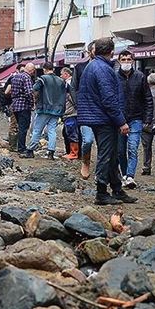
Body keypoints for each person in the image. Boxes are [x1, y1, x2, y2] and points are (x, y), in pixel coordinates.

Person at [77, 37, 136, 205]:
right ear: (112, 52)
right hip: (104, 119)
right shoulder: (103, 69)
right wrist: (121, 121)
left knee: (110, 155)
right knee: (106, 155)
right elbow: (109, 98)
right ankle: (101, 192)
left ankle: (117, 189)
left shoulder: (92, 66)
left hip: (97, 117)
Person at [116, 51, 153, 189]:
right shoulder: (114, 77)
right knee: (120, 150)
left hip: (136, 118)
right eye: (123, 59)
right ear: (119, 61)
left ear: (133, 61)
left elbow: (147, 98)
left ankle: (130, 176)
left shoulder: (140, 76)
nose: (126, 62)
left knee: (132, 148)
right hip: (119, 119)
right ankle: (125, 174)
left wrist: (148, 117)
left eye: (129, 59)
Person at [27, 63, 66, 159]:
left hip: (44, 109)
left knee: (37, 130)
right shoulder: (61, 80)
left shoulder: (43, 79)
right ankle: (51, 152)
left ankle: (30, 150)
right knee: (52, 130)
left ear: (44, 69)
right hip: (57, 109)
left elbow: (34, 89)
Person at [73, 41, 97, 179]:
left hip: (103, 111)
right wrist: (79, 104)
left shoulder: (109, 67)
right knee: (87, 140)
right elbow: (74, 87)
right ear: (89, 52)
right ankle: (86, 161)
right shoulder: (80, 67)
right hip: (86, 111)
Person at [11, 63, 36, 158]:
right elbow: (29, 92)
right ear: (32, 70)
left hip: (15, 105)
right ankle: (21, 148)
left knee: (19, 127)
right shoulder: (26, 78)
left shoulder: (15, 77)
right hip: (24, 105)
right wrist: (32, 103)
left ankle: (18, 146)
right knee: (23, 128)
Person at [60, 67, 80, 159]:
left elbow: (72, 99)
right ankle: (73, 152)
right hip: (71, 113)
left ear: (66, 74)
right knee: (69, 132)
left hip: (71, 113)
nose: (60, 76)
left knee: (72, 133)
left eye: (62, 74)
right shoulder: (72, 84)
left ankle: (74, 153)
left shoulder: (69, 85)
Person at [4, 64, 23, 152]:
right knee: (14, 125)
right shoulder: (13, 79)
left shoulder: (17, 78)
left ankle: (16, 145)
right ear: (17, 71)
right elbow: (6, 91)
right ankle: (13, 146)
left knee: (19, 125)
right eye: (22, 71)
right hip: (14, 105)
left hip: (18, 105)